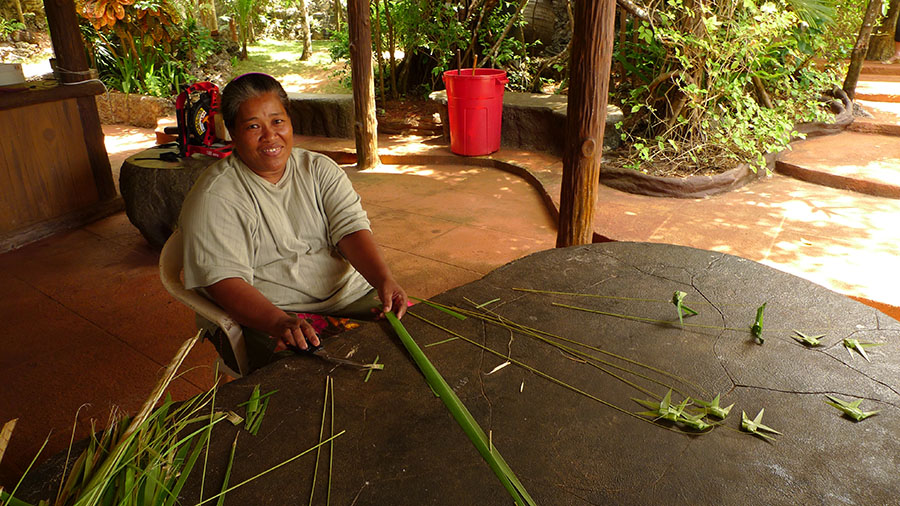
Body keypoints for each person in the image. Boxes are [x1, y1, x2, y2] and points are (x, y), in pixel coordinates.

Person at [179, 72, 407, 372]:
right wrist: (278, 321)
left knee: (413, 347)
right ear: (232, 132)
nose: (269, 136)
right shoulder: (216, 195)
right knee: (314, 385)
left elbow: (351, 229)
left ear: (290, 122)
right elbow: (224, 281)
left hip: (347, 297)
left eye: (277, 121)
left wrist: (382, 279)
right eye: (252, 126)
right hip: (270, 316)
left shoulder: (319, 169)